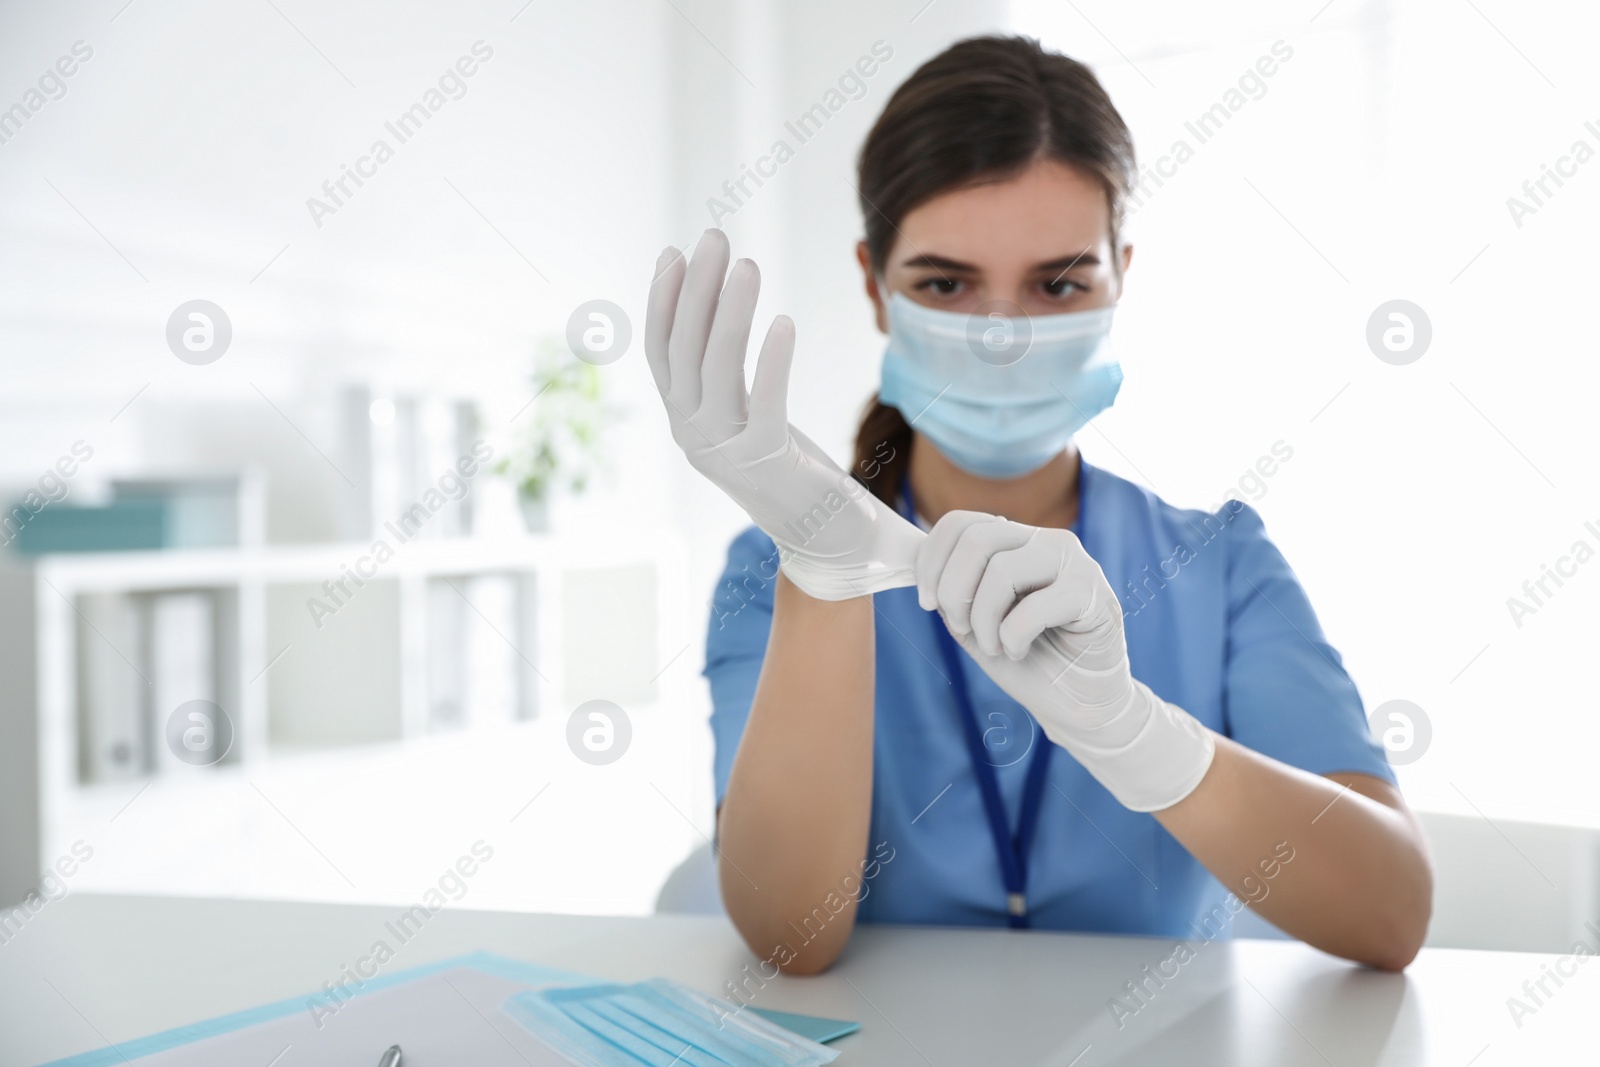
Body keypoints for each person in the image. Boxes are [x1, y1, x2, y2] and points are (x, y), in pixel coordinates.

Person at [645, 34, 1431, 976]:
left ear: (1121, 275)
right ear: (873, 285)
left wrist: (1139, 736)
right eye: (946, 283)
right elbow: (789, 937)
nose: (1003, 337)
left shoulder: (1220, 562)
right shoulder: (772, 568)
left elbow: (1391, 917)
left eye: (1060, 283)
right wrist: (821, 565)